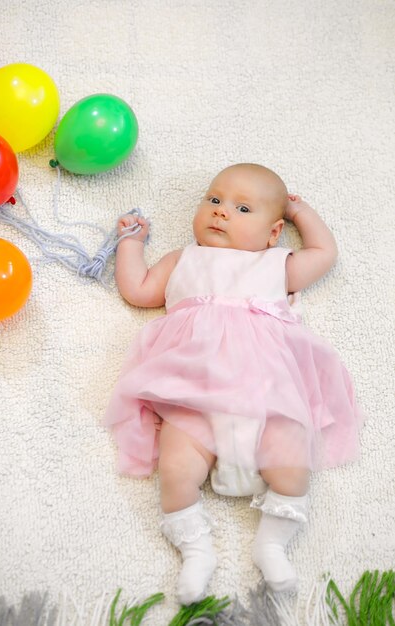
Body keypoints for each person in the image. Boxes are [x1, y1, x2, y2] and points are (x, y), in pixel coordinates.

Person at [104, 163, 362, 605]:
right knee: (177, 468)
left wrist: (302, 212)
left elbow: (324, 253)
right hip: (192, 390)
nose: (222, 213)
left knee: (291, 462)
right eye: (214, 200)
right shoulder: (183, 259)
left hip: (267, 395)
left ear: (273, 232)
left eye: (243, 208)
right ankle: (195, 549)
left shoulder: (278, 264)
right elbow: (139, 290)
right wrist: (130, 244)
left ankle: (273, 544)